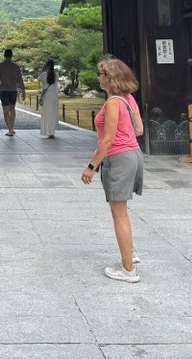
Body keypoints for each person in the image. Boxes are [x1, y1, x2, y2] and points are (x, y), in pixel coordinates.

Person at [81, 55, 145, 283]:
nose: (98, 76)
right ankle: (130, 254)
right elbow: (139, 129)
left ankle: (128, 270)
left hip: (118, 158)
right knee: (122, 211)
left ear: (108, 77)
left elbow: (107, 140)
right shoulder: (128, 99)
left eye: (100, 73)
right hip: (134, 154)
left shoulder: (112, 103)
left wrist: (91, 166)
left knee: (119, 213)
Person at [0, 49, 25, 136]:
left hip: (4, 90)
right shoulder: (16, 66)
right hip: (13, 90)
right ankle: (12, 128)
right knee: (12, 109)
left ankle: (10, 129)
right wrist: (23, 91)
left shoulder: (0, 66)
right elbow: (20, 80)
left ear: (4, 55)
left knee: (6, 111)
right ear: (12, 56)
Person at [37, 59, 60, 138]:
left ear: (46, 66)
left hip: (47, 96)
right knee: (53, 113)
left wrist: (43, 70)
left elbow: (38, 79)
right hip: (54, 96)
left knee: (47, 113)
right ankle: (52, 132)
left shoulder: (43, 74)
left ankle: (47, 131)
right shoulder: (56, 75)